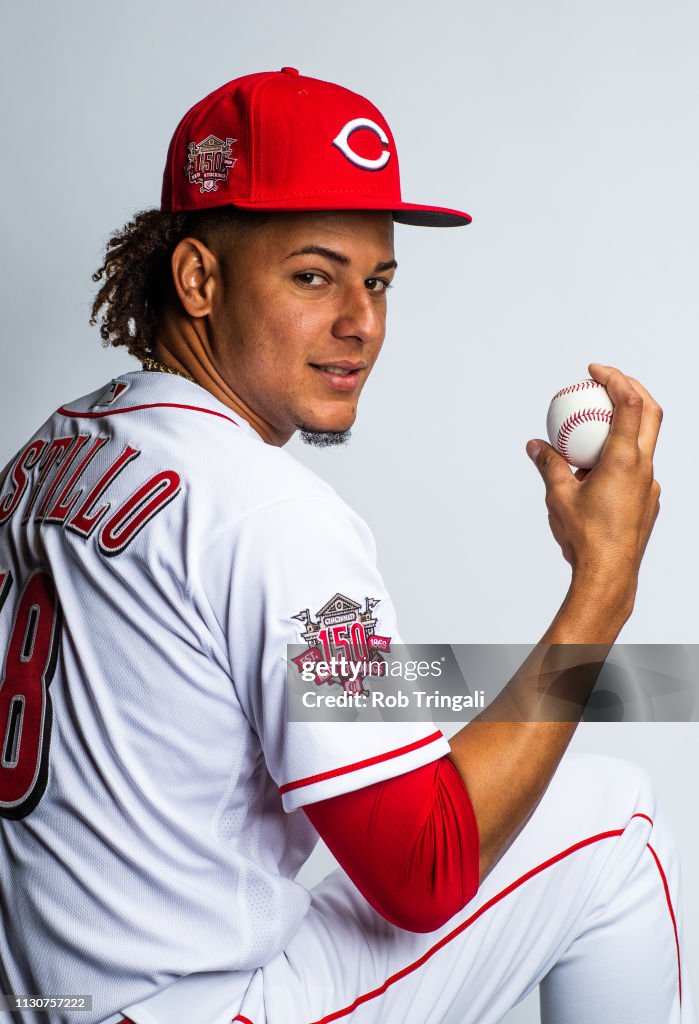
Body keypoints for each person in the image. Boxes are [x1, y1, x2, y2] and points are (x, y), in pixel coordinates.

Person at [0, 67, 692, 1024]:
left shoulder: (54, 450)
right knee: (617, 820)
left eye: (378, 282)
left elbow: (199, 690)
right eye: (313, 275)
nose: (360, 322)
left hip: (46, 998)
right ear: (199, 278)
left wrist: (410, 701)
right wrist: (603, 585)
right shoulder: (264, 509)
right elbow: (424, 871)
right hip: (191, 1010)